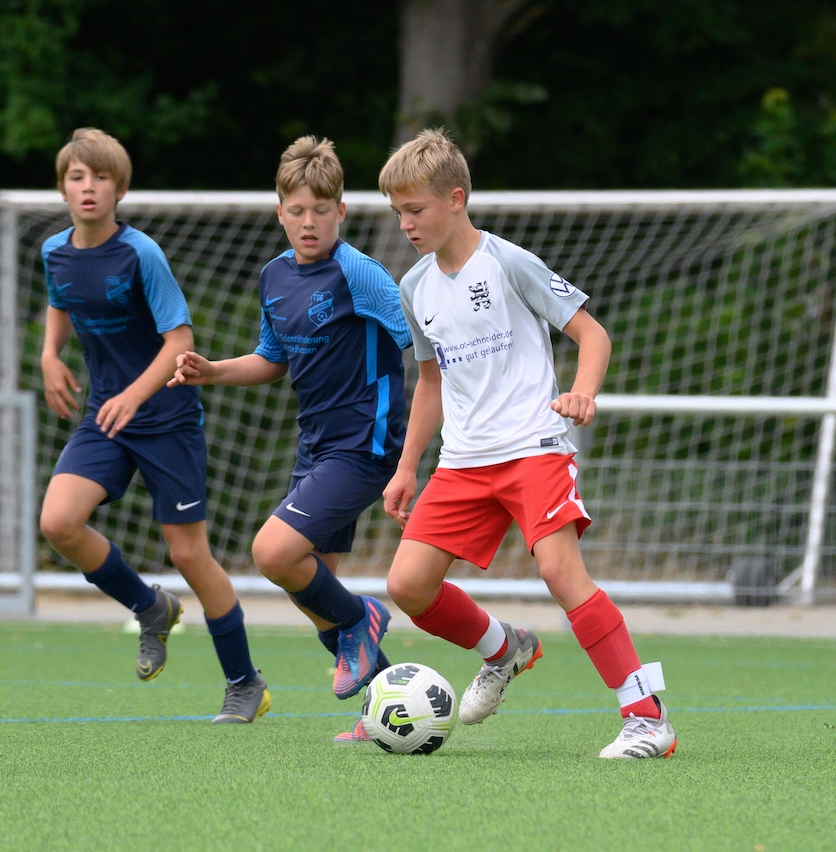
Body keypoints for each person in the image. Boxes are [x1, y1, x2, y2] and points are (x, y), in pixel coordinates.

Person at [378, 129, 675, 759]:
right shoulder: (414, 286)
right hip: (462, 461)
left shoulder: (509, 263)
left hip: (533, 447)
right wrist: (407, 468)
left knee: (560, 571)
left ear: (455, 199)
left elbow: (593, 335)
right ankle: (504, 649)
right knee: (407, 586)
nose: (405, 224)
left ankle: (647, 717)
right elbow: (430, 381)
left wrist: (582, 392)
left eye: (415, 210)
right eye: (398, 212)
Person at [169, 137, 411, 733]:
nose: (309, 223)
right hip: (316, 446)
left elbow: (422, 342)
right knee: (315, 594)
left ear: (341, 212)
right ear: (279, 212)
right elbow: (272, 358)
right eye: (297, 211)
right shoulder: (274, 276)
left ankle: (364, 617)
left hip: (365, 443)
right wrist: (213, 371)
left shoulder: (360, 273)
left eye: (321, 211)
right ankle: (389, 712)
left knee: (272, 553)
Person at [38, 128, 268, 723]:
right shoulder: (55, 251)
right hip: (106, 416)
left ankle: (244, 682)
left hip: (165, 417)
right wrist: (50, 355)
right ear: (63, 188)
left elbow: (179, 341)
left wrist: (135, 395)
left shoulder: (141, 253)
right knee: (59, 522)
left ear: (120, 189)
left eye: (101, 177)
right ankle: (150, 608)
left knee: (189, 555)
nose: (89, 188)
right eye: (77, 177)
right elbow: (60, 302)